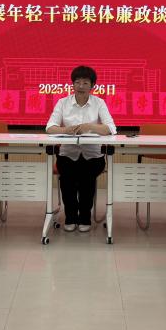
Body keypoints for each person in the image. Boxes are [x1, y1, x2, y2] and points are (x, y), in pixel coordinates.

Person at [45, 65, 117, 233]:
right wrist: (65, 130)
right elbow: (49, 127)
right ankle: (70, 217)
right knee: (67, 180)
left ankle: (85, 217)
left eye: (85, 83)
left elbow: (111, 129)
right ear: (72, 84)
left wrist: (89, 126)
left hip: (93, 156)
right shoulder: (63, 102)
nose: (81, 86)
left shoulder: (99, 103)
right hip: (67, 155)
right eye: (77, 82)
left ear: (92, 86)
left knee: (86, 179)